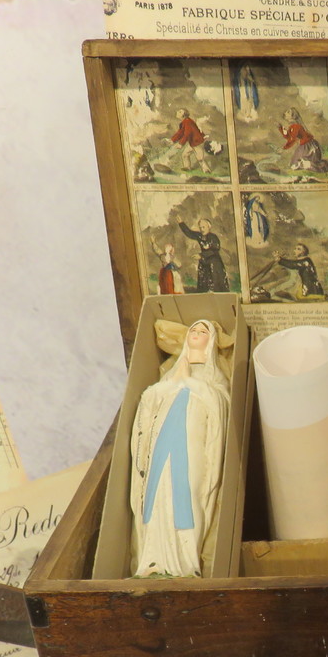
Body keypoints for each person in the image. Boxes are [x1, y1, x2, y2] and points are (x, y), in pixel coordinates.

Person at [129, 320, 231, 577]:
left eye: (203, 331)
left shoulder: (213, 375)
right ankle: (152, 559)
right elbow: (148, 400)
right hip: (163, 437)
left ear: (211, 340)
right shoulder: (171, 373)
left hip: (191, 439)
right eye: (193, 330)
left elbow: (221, 402)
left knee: (187, 490)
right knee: (156, 491)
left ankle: (186, 561)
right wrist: (175, 380)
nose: (196, 334)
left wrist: (189, 382)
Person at [178, 218, 229, 292]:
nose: (202, 229)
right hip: (204, 262)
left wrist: (201, 255)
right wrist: (181, 223)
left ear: (209, 227)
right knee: (203, 283)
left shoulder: (213, 237)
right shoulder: (199, 236)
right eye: (200, 227)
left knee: (215, 285)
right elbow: (189, 233)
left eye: (203, 227)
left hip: (214, 264)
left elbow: (215, 249)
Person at [278, 108, 328, 173]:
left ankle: (312, 165)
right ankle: (308, 164)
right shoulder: (293, 126)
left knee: (296, 164)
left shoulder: (296, 126)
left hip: (308, 146)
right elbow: (289, 137)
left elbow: (292, 139)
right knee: (294, 163)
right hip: (305, 145)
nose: (285, 112)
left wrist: (283, 148)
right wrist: (281, 128)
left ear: (293, 116)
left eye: (288, 112)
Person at [166, 108, 211, 175]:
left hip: (197, 142)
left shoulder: (187, 122)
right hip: (192, 143)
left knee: (200, 158)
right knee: (185, 155)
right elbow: (180, 133)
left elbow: (187, 134)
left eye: (180, 112)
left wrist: (181, 144)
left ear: (184, 115)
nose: (177, 112)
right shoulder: (184, 122)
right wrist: (172, 140)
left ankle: (207, 171)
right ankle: (187, 167)